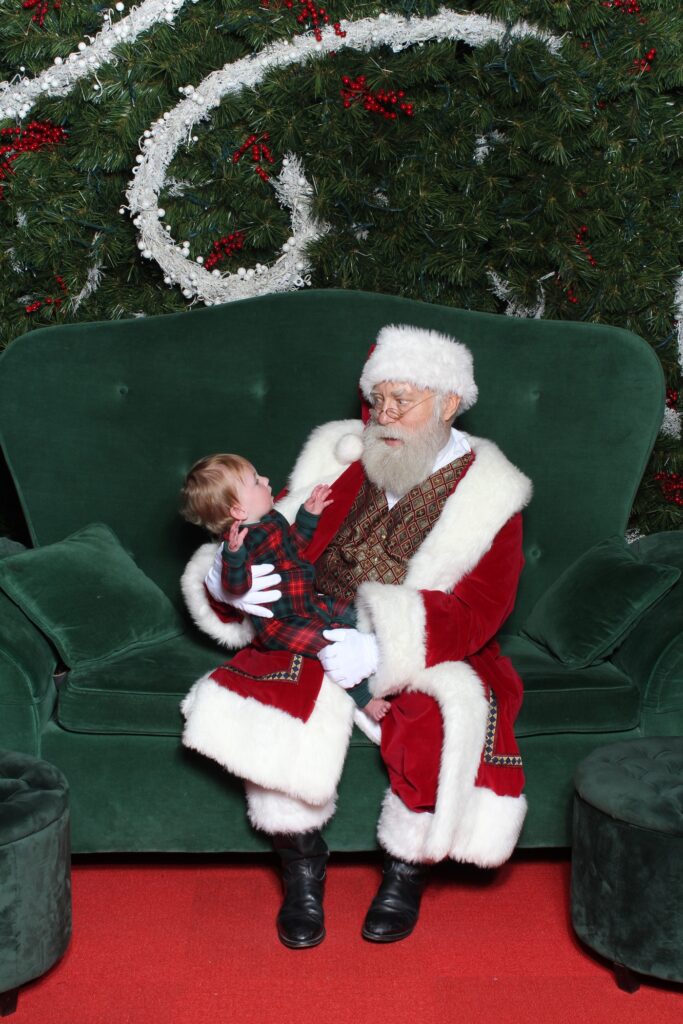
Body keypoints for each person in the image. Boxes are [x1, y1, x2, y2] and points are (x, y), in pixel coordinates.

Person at [181, 323, 532, 950]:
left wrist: (385, 648)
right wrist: (223, 580)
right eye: (380, 399)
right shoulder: (344, 456)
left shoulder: (493, 493)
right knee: (276, 697)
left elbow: (483, 607)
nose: (386, 415)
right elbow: (269, 527)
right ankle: (302, 865)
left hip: (418, 638)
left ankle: (406, 870)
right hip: (314, 613)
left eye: (405, 400)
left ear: (449, 403)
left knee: (432, 717)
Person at [179, 453, 391, 729]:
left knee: (354, 612)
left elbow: (296, 546)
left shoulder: (273, 520)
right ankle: (364, 700)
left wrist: (308, 515)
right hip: (283, 624)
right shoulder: (239, 544)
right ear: (238, 512)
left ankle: (383, 655)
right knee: (329, 645)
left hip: (310, 601)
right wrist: (232, 556)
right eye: (256, 481)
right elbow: (236, 587)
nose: (266, 480)